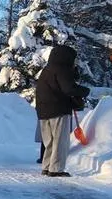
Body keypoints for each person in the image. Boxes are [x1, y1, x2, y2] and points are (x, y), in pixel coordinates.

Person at [33, 44, 90, 178]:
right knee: (60, 141)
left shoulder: (47, 70)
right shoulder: (62, 69)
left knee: (49, 142)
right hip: (58, 109)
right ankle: (56, 169)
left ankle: (47, 167)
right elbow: (68, 88)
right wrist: (84, 91)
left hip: (43, 110)